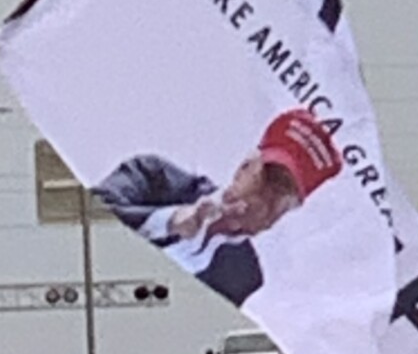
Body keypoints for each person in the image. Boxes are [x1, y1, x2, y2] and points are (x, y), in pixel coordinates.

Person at [94, 109, 341, 307]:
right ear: (244, 167)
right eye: (269, 180)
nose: (267, 200)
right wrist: (171, 221)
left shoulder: (246, 278)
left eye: (284, 198)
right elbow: (91, 214)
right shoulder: (153, 178)